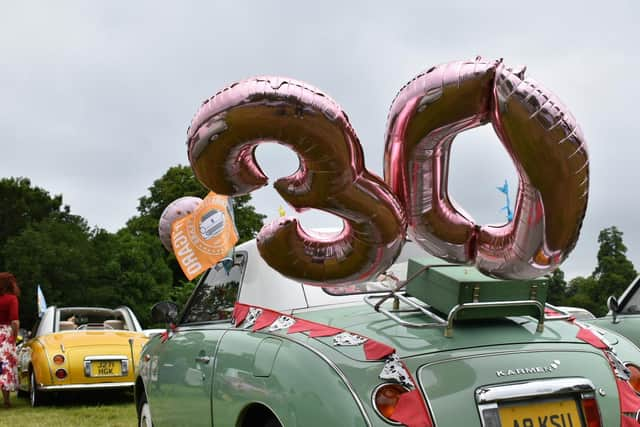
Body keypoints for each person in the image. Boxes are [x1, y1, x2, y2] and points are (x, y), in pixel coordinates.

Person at [0, 272, 19, 409]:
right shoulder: (11, 299)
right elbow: (15, 321)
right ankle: (6, 400)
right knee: (5, 367)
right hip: (5, 335)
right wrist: (15, 335)